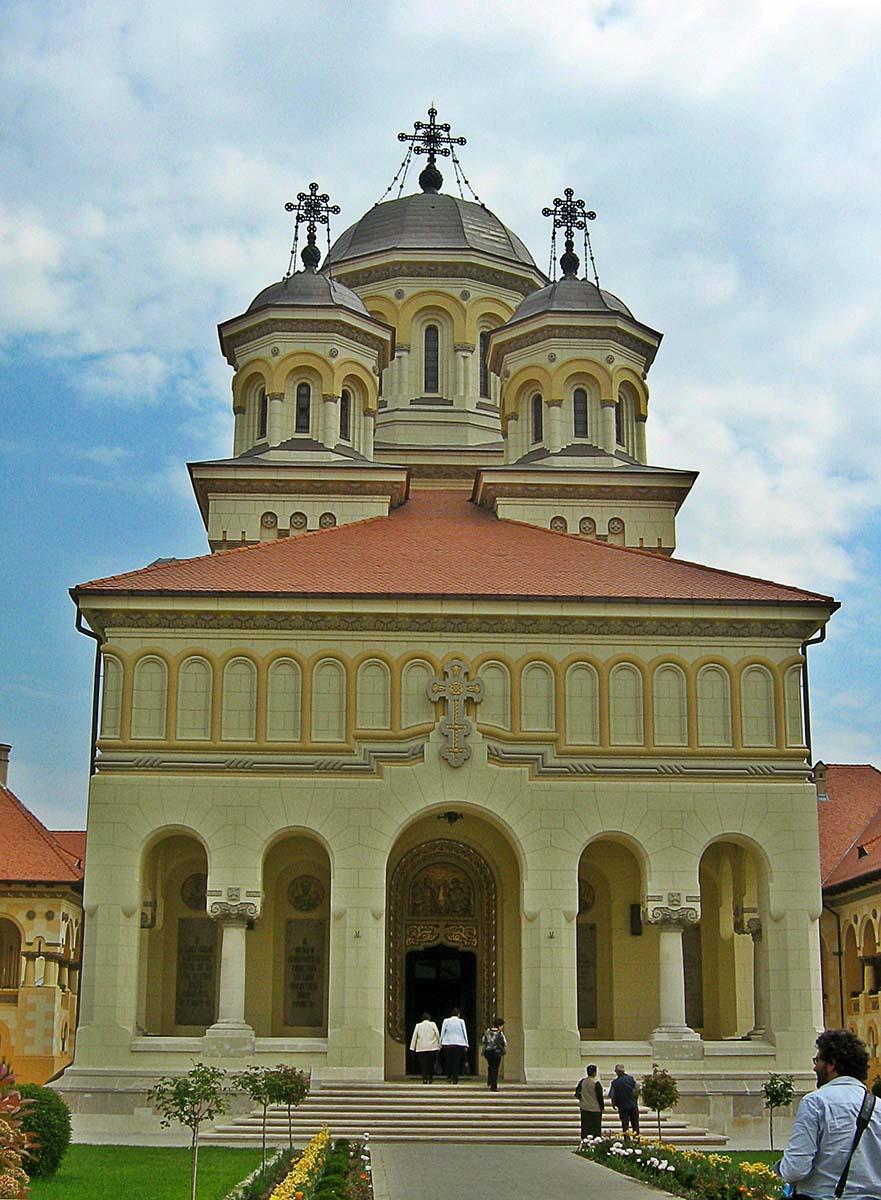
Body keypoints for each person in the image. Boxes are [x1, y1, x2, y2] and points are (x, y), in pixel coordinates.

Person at [778, 1029, 881, 1199]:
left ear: (831, 1064)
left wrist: (781, 1168)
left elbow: (796, 1169)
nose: (814, 1066)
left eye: (817, 1060)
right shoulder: (878, 1106)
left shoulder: (816, 1102)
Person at [409, 1011, 441, 1084]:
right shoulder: (433, 1024)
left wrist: (412, 1047)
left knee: (423, 1065)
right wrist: (439, 1045)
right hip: (432, 1047)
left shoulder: (418, 1025)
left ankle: (425, 1078)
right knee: (431, 1064)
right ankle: (430, 1078)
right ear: (429, 1018)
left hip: (421, 1048)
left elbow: (414, 1036)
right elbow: (437, 1034)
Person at [609, 1063, 640, 1135]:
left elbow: (612, 1095)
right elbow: (637, 1090)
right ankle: (637, 1140)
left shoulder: (614, 1082)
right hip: (633, 1105)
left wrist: (613, 1104)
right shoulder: (631, 1079)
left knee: (625, 1125)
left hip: (622, 1106)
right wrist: (634, 1099)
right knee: (635, 1124)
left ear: (617, 1072)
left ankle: (627, 1141)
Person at [440, 1006, 469, 1083]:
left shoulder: (446, 1021)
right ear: (458, 1014)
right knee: (456, 1061)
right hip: (459, 1043)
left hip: (448, 1043)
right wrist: (466, 1044)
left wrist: (440, 1042)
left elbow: (442, 1032)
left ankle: (449, 1076)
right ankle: (455, 1078)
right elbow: (464, 1032)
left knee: (449, 1061)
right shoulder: (461, 1021)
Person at [575, 1064, 604, 1140]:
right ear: (595, 1073)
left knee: (585, 1128)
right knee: (596, 1128)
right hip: (595, 1109)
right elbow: (600, 1096)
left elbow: (577, 1093)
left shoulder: (582, 1082)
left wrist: (582, 1099)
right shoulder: (596, 1083)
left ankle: (585, 1142)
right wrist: (602, 1107)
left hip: (584, 1108)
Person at [481, 1017, 507, 1091]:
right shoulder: (500, 1033)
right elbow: (505, 1043)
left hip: (488, 1052)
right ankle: (493, 1086)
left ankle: (489, 1080)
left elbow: (483, 1040)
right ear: (499, 1026)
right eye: (502, 1026)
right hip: (496, 1052)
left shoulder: (487, 1031)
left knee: (491, 1066)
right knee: (495, 1069)